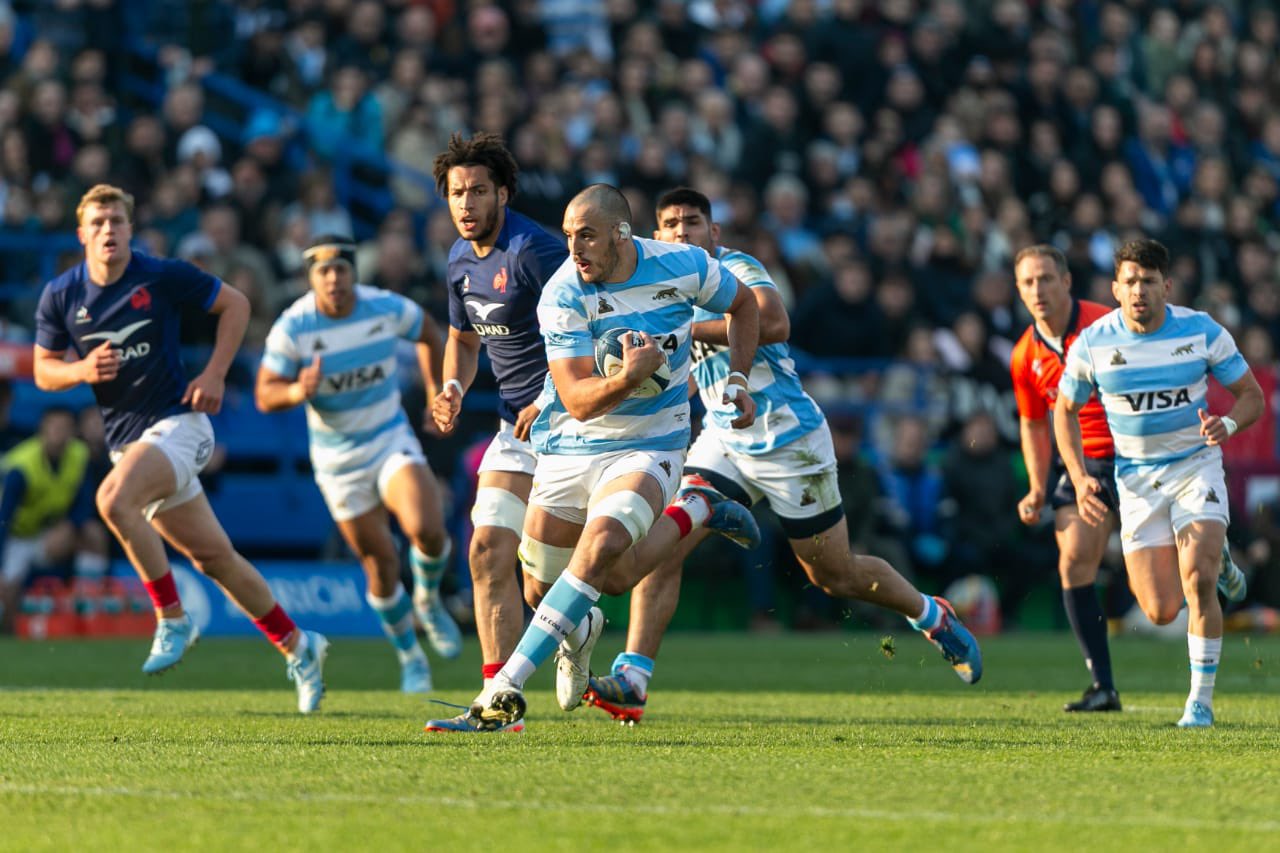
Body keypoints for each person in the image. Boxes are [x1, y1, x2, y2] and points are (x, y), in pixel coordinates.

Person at [583, 187, 984, 724]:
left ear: (714, 233)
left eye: (693, 222)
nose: (682, 233)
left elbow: (773, 322)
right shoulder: (661, 286)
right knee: (664, 549)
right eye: (671, 224)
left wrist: (679, 330)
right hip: (724, 439)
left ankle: (931, 614)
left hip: (788, 440)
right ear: (658, 235)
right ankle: (633, 678)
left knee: (833, 576)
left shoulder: (736, 268)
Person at [468, 183, 763, 731]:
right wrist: (629, 377)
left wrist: (738, 379)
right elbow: (578, 401)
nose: (574, 249)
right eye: (567, 236)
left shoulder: (684, 265)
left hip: (652, 441)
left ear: (622, 235)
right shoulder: (561, 293)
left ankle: (503, 687)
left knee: (601, 546)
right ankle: (694, 511)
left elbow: (745, 306)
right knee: (563, 584)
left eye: (586, 237)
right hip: (573, 444)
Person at [33, 184, 328, 713]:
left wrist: (214, 373)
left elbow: (235, 303)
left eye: (117, 221)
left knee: (111, 502)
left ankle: (172, 618)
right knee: (214, 559)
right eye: (98, 222)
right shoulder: (61, 295)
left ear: (130, 228)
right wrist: (77, 370)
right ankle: (301, 647)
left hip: (181, 424)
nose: (108, 230)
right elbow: (42, 369)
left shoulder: (160, 274)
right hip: (133, 446)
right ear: (82, 233)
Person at [1055, 238, 1262, 728]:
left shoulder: (1202, 331)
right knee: (1161, 610)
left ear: (1166, 286)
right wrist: (1079, 475)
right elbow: (1062, 410)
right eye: (1130, 282)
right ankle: (1222, 556)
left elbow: (1251, 396)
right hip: (1136, 482)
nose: (1139, 290)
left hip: (1196, 468)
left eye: (1149, 281)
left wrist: (1228, 425)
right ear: (1115, 288)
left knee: (1199, 579)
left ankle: (1200, 704)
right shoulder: (1094, 342)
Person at [255, 234, 460, 694]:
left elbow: (430, 333)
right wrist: (296, 391)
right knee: (380, 565)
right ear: (310, 278)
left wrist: (432, 393)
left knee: (427, 526)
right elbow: (265, 393)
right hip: (338, 460)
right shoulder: (294, 326)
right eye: (323, 271)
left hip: (388, 437)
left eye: (341, 269)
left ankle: (427, 598)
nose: (333, 278)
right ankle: (411, 657)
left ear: (354, 272)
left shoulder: (383, 307)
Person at [422, 133, 568, 733]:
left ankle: (576, 624)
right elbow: (462, 339)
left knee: (544, 581)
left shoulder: (536, 250)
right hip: (515, 427)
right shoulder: (459, 258)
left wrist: (554, 396)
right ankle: (496, 702)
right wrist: (453, 386)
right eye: (457, 192)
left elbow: (589, 327)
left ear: (502, 193)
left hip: (574, 425)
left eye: (478, 190)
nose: (466, 202)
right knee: (486, 552)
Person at [1011, 244, 1125, 711]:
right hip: (1086, 464)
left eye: (1045, 279)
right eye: (1027, 282)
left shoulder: (1108, 324)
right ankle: (1103, 686)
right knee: (1074, 560)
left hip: (1138, 453)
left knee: (1157, 597)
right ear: (1018, 291)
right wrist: (1039, 487)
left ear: (1066, 281)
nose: (1037, 290)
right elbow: (1035, 424)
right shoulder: (1024, 356)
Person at [0, 407, 109, 629]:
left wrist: (69, 525)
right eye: (55, 428)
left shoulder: (80, 455)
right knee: (7, 592)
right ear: (42, 430)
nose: (60, 434)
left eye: (65, 428)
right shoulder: (21, 465)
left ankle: (86, 611)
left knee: (93, 533)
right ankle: (9, 630)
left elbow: (85, 502)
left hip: (51, 534)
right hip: (17, 538)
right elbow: (4, 517)